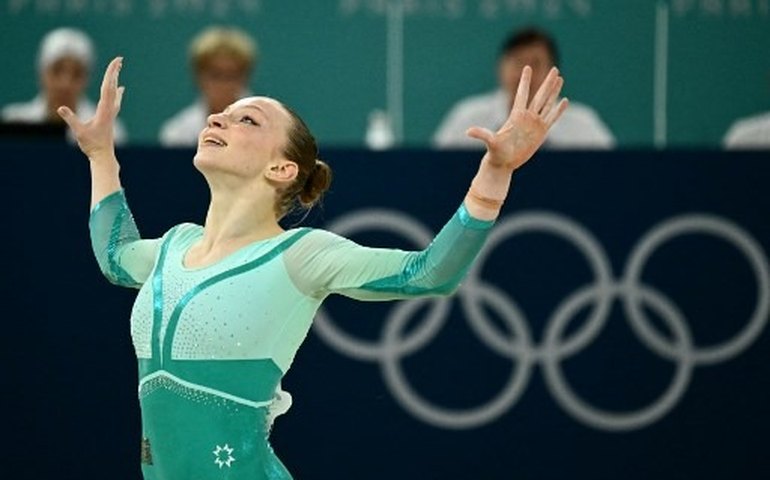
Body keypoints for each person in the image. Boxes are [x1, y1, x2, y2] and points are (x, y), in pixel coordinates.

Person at [58, 56, 568, 479]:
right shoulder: (173, 246)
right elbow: (115, 258)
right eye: (222, 115)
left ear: (282, 169)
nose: (217, 120)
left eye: (247, 120)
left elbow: (429, 273)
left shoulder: (301, 256)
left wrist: (495, 172)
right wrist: (101, 155)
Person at [433, 26, 614, 150]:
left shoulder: (584, 125)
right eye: (517, 62)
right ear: (500, 67)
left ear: (554, 72)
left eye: (536, 63)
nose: (525, 72)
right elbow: (435, 171)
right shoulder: (466, 118)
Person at [1, 27, 127, 144]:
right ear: (42, 73)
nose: (65, 83)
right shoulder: (12, 121)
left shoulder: (109, 131)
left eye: (76, 74)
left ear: (87, 79)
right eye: (57, 70)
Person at [159, 26, 258, 147]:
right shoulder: (177, 133)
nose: (224, 84)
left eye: (232, 75)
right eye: (216, 75)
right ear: (198, 77)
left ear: (245, 77)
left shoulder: (264, 130)